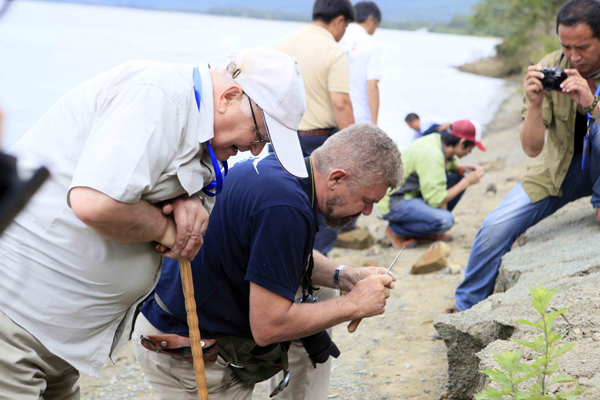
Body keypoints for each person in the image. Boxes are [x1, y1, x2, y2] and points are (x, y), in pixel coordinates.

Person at [0, 47, 308, 399]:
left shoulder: (199, 132)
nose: (255, 150)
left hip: (59, 337)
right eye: (260, 135)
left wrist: (187, 199)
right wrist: (168, 231)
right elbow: (96, 203)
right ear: (230, 96)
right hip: (17, 320)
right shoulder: (158, 95)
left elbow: (141, 182)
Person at [133, 124, 403, 400]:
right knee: (310, 306)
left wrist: (344, 276)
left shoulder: (286, 169)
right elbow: (268, 327)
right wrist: (354, 304)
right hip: (188, 352)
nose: (368, 212)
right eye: (366, 200)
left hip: (183, 324)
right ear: (336, 178)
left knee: (324, 291)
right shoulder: (285, 208)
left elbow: (279, 254)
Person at [451, 0, 600, 313]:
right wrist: (534, 103)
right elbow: (532, 148)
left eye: (583, 47)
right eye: (566, 46)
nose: (573, 56)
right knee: (494, 226)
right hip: (562, 169)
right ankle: (466, 308)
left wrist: (591, 105)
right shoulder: (551, 65)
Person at [276, 0, 355, 256]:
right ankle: (313, 280)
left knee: (280, 205)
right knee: (325, 212)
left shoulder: (283, 44)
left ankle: (281, 266)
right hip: (317, 142)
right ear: (340, 20)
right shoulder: (333, 51)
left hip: (280, 138)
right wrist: (354, 147)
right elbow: (341, 103)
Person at [379, 120, 486, 248]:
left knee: (458, 178)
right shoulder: (432, 155)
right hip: (394, 201)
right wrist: (467, 182)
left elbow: (448, 164)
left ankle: (427, 228)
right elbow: (436, 199)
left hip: (413, 193)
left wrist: (463, 169)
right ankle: (397, 229)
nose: (471, 152)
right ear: (462, 142)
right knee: (445, 221)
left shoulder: (438, 140)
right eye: (471, 147)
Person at [339, 1, 382, 125]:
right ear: (370, 19)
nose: (374, 29)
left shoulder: (338, 36)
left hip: (334, 113)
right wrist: (374, 124)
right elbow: (372, 86)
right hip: (359, 116)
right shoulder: (370, 43)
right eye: (376, 25)